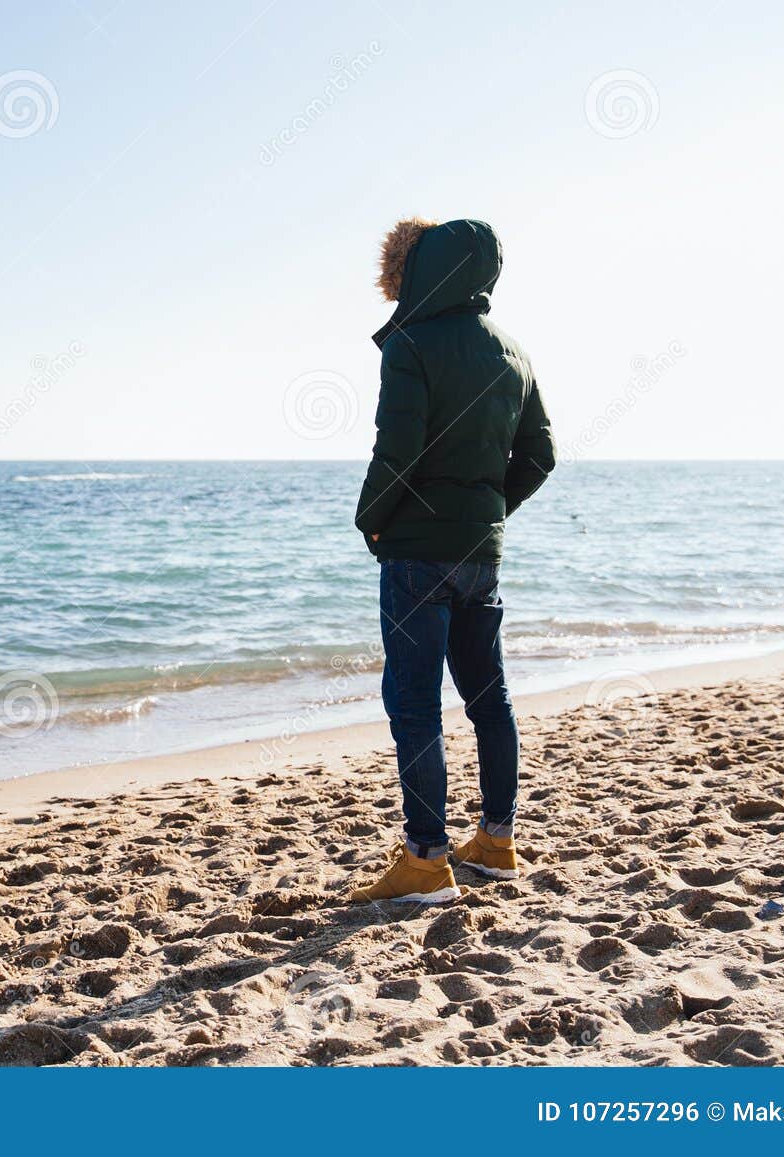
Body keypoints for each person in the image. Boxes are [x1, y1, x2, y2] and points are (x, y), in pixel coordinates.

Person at [348, 218, 555, 904]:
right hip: (480, 553)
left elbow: (396, 452)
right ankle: (496, 842)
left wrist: (370, 520)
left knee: (414, 706)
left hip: (417, 554)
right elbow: (539, 457)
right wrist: (489, 514)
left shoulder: (410, 344)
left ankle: (427, 860)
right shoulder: (513, 351)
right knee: (487, 698)